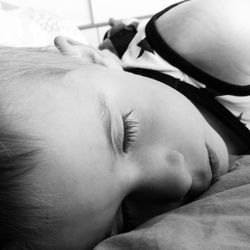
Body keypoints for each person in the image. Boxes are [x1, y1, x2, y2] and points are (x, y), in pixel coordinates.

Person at [0, 0, 249, 249]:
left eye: (128, 131)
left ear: (92, 59)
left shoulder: (214, 37)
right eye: (126, 217)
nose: (177, 181)